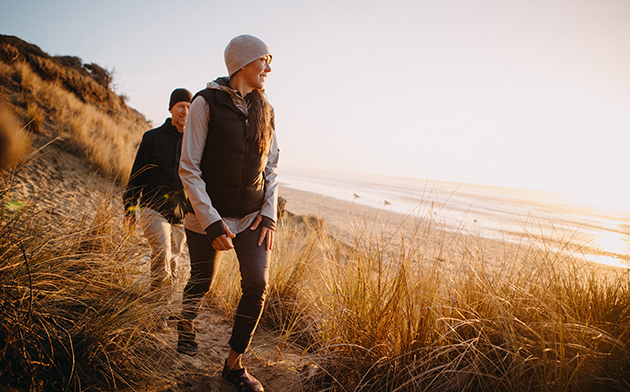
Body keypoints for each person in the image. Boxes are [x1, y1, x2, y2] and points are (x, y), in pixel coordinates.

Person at [178, 35, 279, 392]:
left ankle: (234, 365)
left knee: (257, 284)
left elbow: (272, 168)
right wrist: (211, 220)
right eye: (263, 60)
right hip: (208, 217)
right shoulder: (205, 103)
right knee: (201, 281)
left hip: (251, 217)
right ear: (241, 63)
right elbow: (189, 168)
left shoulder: (266, 110)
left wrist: (269, 215)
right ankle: (187, 323)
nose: (269, 67)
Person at [123, 88, 193, 293]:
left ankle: (161, 302)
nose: (185, 111)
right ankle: (160, 306)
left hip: (180, 212)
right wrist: (129, 209)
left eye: (189, 107)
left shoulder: (194, 142)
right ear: (171, 108)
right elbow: (137, 175)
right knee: (162, 252)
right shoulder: (152, 138)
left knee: (173, 260)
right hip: (152, 207)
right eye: (181, 106)